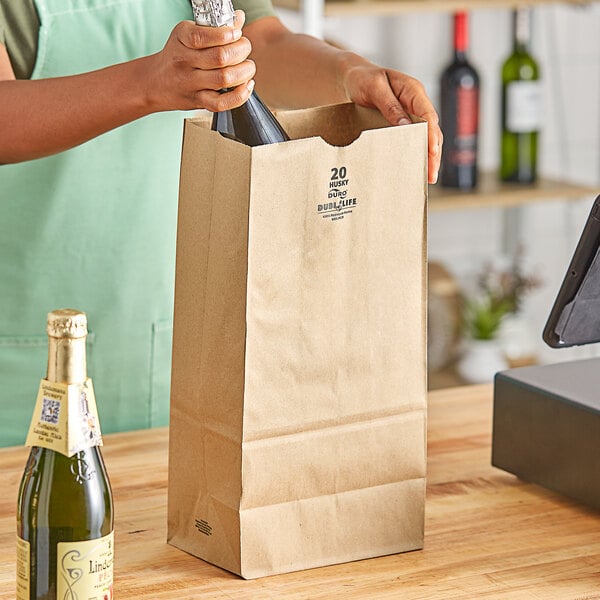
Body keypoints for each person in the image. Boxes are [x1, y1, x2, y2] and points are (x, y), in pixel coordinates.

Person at [0, 0, 442, 447]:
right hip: (33, 345)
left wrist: (349, 73)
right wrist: (150, 84)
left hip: (185, 330)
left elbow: (260, 46)